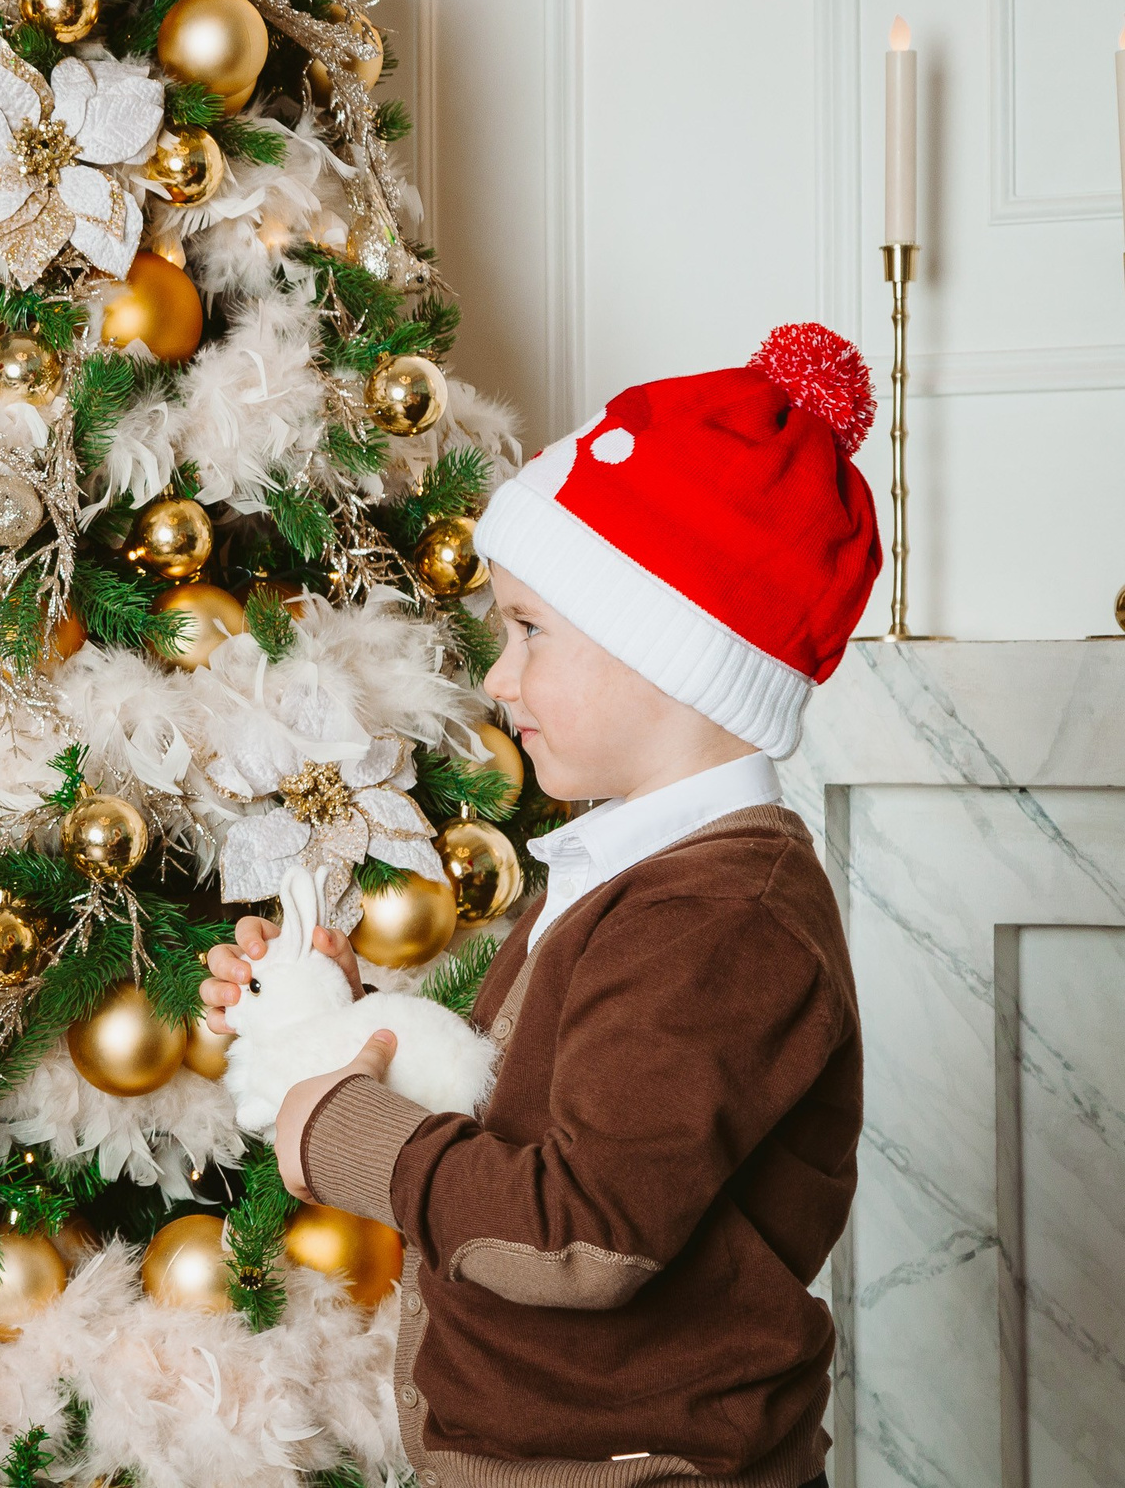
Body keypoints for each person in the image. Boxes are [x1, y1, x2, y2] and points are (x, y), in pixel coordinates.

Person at [203, 325, 884, 1488]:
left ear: (668, 649)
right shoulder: (638, 870)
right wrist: (337, 1025)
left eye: (530, 631)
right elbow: (539, 1115)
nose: (499, 677)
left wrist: (337, 1127)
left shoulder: (718, 920)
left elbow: (580, 1234)